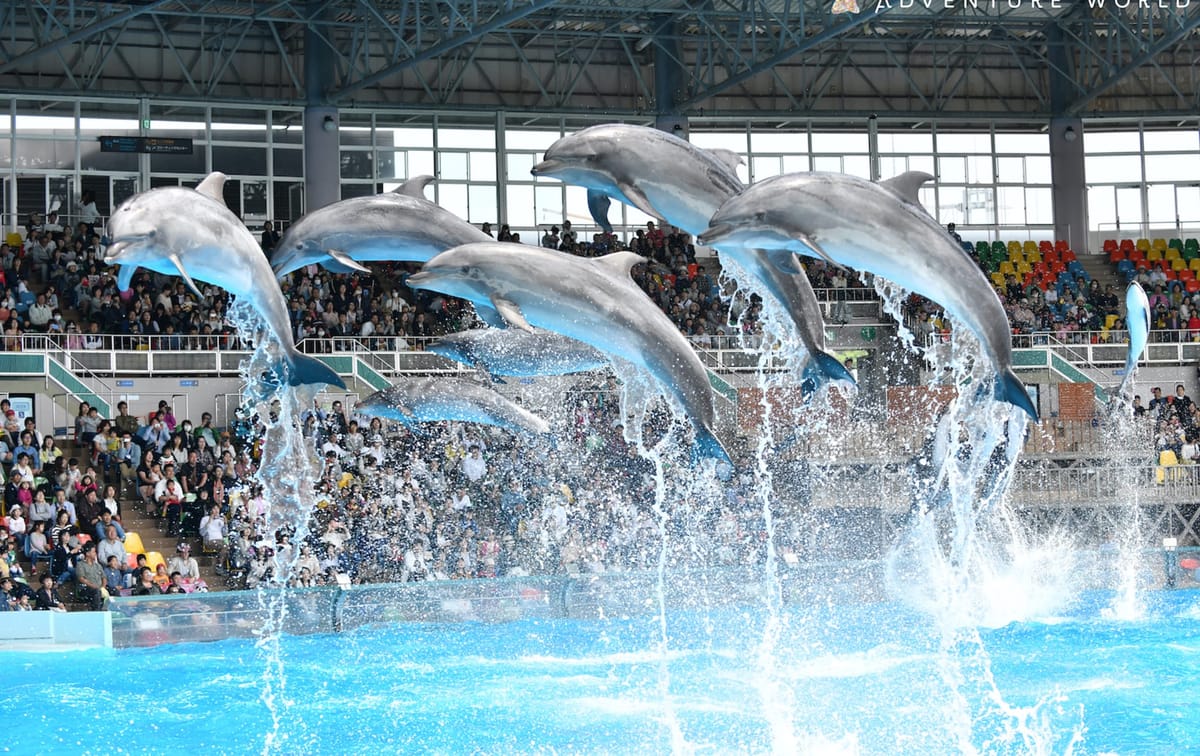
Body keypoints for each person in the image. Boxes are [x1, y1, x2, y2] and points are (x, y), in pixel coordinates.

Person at [75, 541, 107, 610]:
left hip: (99, 588)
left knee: (114, 590)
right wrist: (95, 587)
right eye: (93, 552)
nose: (95, 553)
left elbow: (104, 577)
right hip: (85, 589)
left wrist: (103, 587)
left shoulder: (98, 565)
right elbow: (82, 579)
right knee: (96, 592)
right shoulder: (80, 565)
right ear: (87, 553)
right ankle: (97, 612)